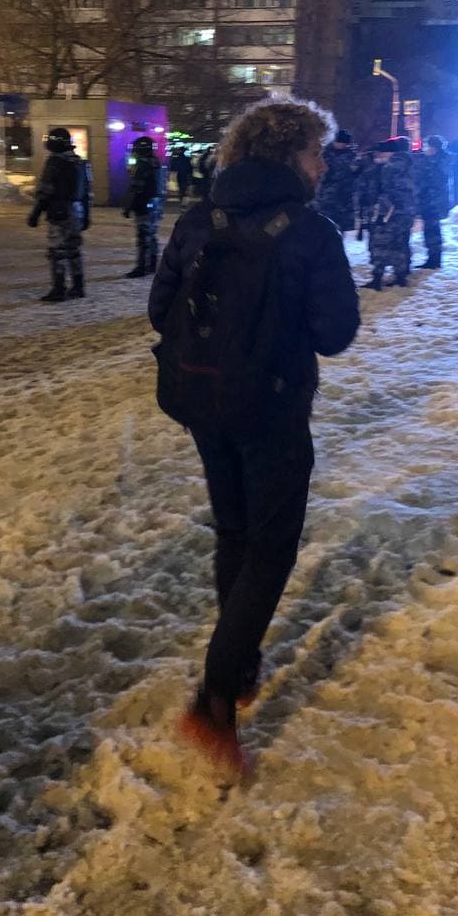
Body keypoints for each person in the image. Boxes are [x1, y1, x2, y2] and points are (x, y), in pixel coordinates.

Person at [148, 95, 359, 774]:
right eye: (315, 152)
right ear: (287, 155)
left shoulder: (197, 219)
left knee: (235, 532)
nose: (323, 165)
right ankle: (213, 702)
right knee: (270, 547)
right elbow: (336, 333)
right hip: (271, 408)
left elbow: (159, 309)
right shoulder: (310, 232)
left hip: (201, 402)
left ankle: (237, 667)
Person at [27, 126, 92, 301]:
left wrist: (35, 213)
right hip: (77, 211)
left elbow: (46, 190)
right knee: (74, 249)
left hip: (59, 211)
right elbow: (87, 192)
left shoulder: (55, 162)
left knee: (57, 251)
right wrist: (86, 215)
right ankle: (78, 286)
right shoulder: (80, 162)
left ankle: (59, 288)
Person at [365, 136, 416, 290]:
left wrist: (380, 214)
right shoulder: (410, 163)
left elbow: (387, 192)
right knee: (401, 243)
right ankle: (401, 276)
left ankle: (377, 279)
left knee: (380, 244)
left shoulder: (390, 167)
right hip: (408, 210)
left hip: (392, 212)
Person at [122, 134, 164, 278]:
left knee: (143, 236)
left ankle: (141, 267)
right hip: (156, 203)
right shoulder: (156, 163)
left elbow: (136, 188)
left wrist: (128, 207)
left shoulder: (142, 165)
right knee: (152, 235)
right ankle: (152, 264)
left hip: (143, 204)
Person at [416, 134, 451, 268]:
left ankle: (434, 260)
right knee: (430, 230)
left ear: (434, 147)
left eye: (427, 146)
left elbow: (435, 181)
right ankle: (432, 258)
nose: (425, 149)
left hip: (434, 202)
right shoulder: (435, 160)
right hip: (430, 201)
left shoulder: (440, 161)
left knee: (432, 230)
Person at [316, 127, 358, 234]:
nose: (343, 145)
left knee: (339, 231)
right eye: (341, 143)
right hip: (325, 199)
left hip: (344, 199)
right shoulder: (324, 153)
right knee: (323, 228)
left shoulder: (351, 155)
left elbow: (355, 174)